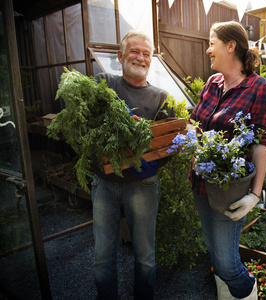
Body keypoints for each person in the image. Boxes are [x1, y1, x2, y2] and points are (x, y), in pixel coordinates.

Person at [188, 21, 266, 299]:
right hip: (201, 184)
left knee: (226, 262)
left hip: (230, 190)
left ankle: (249, 291)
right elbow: (194, 122)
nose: (207, 50)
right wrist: (193, 143)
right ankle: (226, 294)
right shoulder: (212, 84)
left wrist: (255, 195)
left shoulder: (258, 88)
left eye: (211, 43)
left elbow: (261, 143)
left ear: (230, 45)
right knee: (213, 249)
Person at [91, 30, 173, 300]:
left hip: (143, 185)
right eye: (135, 51)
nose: (141, 58)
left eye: (146, 54)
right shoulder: (103, 84)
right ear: (120, 55)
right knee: (103, 256)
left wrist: (146, 160)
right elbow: (85, 123)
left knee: (145, 256)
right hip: (104, 183)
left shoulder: (161, 98)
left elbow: (168, 147)